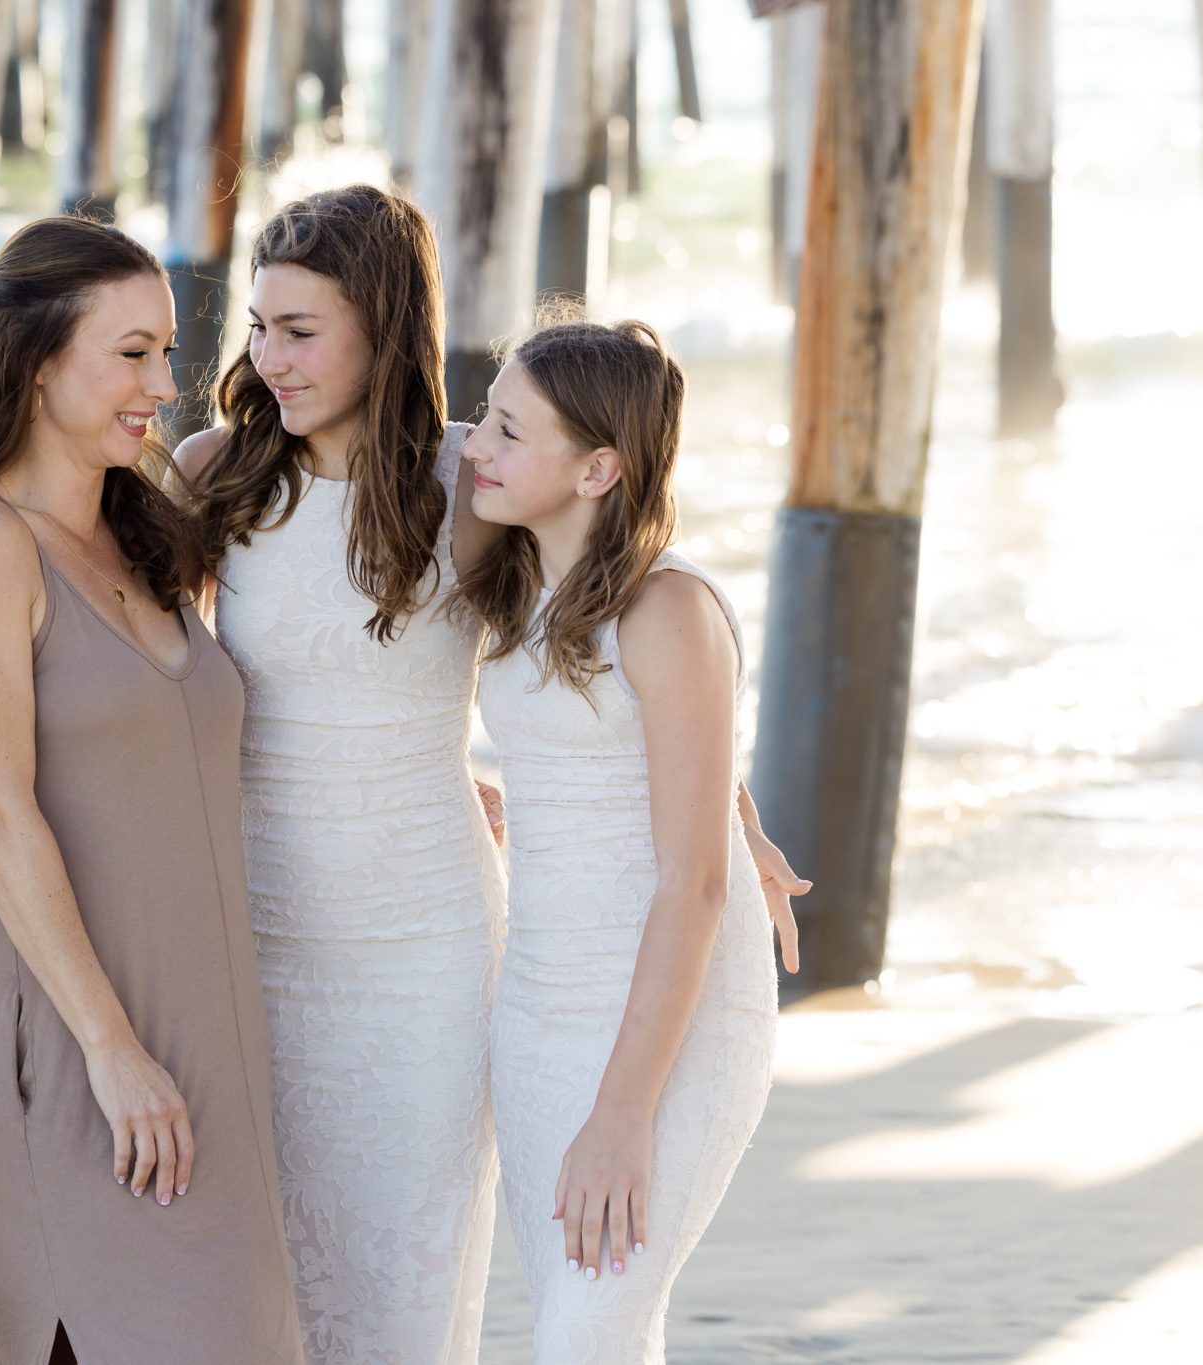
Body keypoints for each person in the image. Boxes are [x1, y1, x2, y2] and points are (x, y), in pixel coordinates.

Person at [0, 216, 303, 1365]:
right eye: (129, 354)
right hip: (89, 1043)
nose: (162, 387)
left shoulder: (147, 538)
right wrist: (110, 1046)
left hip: (210, 1033)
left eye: (166, 354)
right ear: (35, 360)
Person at [176, 184, 507, 1365]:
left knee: (406, 1295)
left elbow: (612, 658)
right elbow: (132, 689)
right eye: (257, 328)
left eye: (300, 331)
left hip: (428, 947)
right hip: (253, 939)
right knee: (261, 1297)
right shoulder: (214, 472)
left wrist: (728, 809)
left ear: (383, 324)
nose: (268, 359)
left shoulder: (480, 485)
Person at [460, 315, 792, 1363]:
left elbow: (692, 887)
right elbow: (601, 757)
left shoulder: (667, 607)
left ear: (598, 467)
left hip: (674, 1017)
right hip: (539, 1000)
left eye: (509, 431)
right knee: (592, 1329)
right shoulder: (517, 586)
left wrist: (621, 1113)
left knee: (584, 1337)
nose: (474, 445)